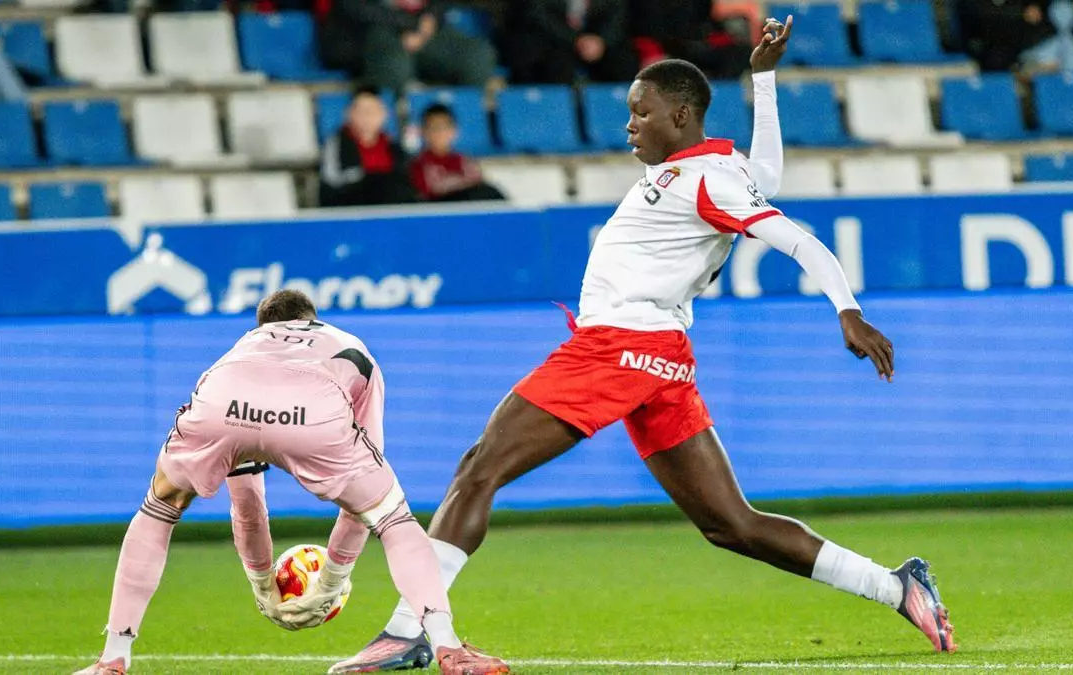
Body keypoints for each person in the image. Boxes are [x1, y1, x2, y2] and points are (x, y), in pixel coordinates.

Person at [330, 17, 957, 673]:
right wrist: (764, 79)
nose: (630, 125)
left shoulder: (707, 180)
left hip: (618, 346)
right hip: (659, 356)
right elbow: (767, 175)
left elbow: (797, 238)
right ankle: (897, 586)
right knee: (731, 524)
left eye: (642, 112)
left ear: (680, 115)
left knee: (478, 469)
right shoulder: (713, 169)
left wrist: (848, 310)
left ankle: (409, 629)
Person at [73, 290, 510, 675]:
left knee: (159, 508)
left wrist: (263, 584)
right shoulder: (352, 348)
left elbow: (247, 504)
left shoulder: (242, 347)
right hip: (312, 408)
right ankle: (448, 647)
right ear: (311, 319)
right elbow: (359, 509)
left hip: (225, 400)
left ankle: (113, 658)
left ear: (264, 325)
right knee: (392, 517)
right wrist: (332, 580)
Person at [318, 0, 496, 91]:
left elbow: (440, 4)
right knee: (394, 63)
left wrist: (430, 18)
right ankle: (394, 130)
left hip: (424, 28)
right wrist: (409, 24)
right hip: (368, 32)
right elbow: (354, 7)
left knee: (477, 55)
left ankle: (461, 124)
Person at [319, 86, 419, 208]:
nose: (367, 117)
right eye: (361, 111)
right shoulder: (335, 143)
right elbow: (331, 182)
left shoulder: (394, 146)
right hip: (352, 206)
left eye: (372, 111)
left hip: (391, 207)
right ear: (349, 114)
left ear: (384, 114)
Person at [505, 0, 638, 84]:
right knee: (556, 62)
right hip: (556, 40)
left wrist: (601, 41)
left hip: (596, 42)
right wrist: (576, 40)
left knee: (624, 60)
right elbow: (539, 16)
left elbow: (617, 15)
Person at [629, 0, 754, 78]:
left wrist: (723, 38)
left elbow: (708, 22)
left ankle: (722, 99)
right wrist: (651, 51)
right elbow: (640, 27)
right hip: (665, 48)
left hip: (697, 44)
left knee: (742, 53)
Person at [409, 104, 505, 202]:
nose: (440, 133)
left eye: (445, 127)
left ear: (454, 130)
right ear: (423, 131)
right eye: (434, 128)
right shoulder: (418, 165)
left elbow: (479, 186)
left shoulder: (465, 162)